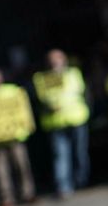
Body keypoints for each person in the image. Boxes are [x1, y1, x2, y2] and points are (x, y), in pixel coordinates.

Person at [33, 49, 90, 198]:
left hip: (77, 119)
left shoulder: (73, 73)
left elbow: (82, 92)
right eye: (52, 60)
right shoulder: (41, 78)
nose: (55, 62)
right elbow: (41, 98)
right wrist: (49, 106)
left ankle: (81, 181)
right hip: (55, 123)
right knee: (60, 156)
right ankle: (64, 186)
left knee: (79, 153)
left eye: (57, 58)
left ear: (64, 60)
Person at [0, 67, 37, 206]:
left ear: (0, 78)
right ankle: (7, 199)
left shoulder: (12, 91)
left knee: (22, 166)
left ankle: (28, 193)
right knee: (0, 172)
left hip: (15, 137)